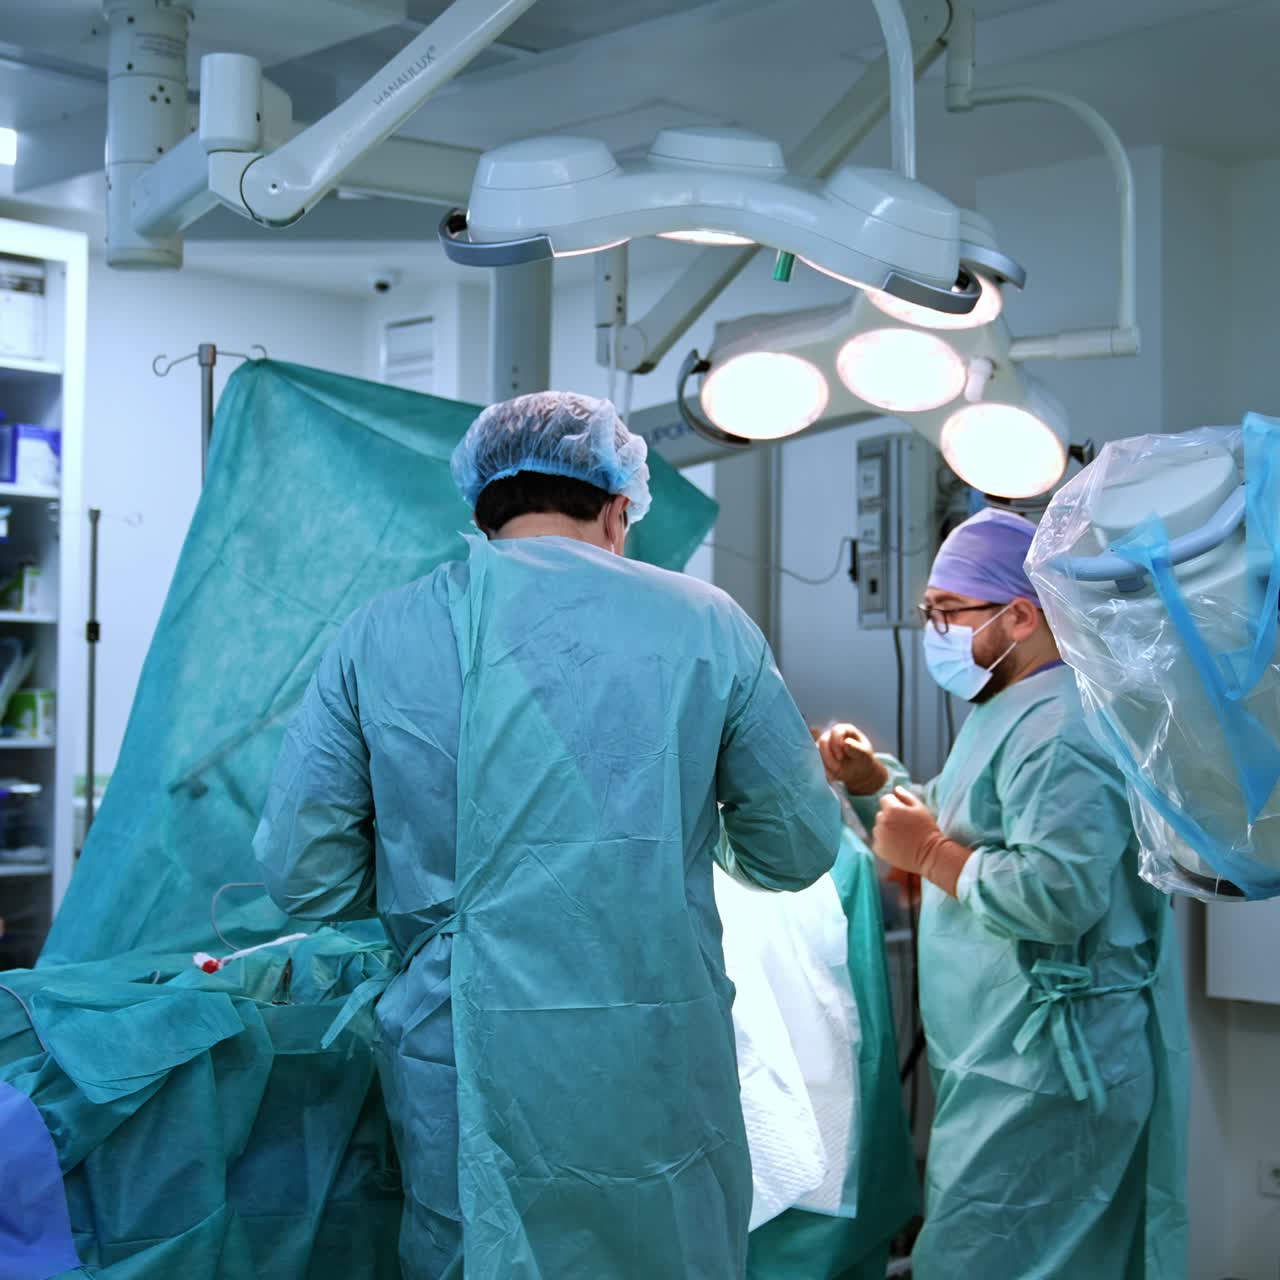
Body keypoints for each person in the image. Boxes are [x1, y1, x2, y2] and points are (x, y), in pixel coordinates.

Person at [254, 391, 842, 1280]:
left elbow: (305, 872)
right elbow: (794, 848)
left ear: (482, 508)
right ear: (616, 509)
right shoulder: (706, 622)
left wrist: (437, 888)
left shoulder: (379, 634)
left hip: (461, 1060)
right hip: (654, 1063)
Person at [818, 507, 1189, 1280]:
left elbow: (1058, 894)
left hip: (1052, 1067)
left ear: (1020, 615)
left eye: (946, 612)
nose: (935, 632)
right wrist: (874, 784)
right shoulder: (1011, 708)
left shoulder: (1063, 726)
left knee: (984, 1259)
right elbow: (964, 827)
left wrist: (929, 853)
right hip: (1006, 1054)